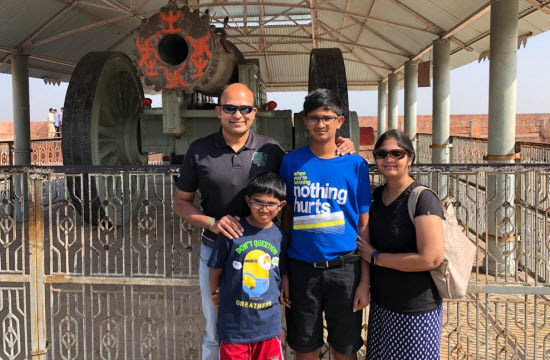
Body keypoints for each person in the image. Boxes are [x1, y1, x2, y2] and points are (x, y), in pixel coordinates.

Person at [173, 83, 355, 360]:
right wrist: (211, 222)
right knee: (217, 330)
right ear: (218, 111)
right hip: (218, 251)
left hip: (266, 251)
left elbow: (309, 163)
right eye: (230, 108)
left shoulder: (271, 150)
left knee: (265, 326)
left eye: (244, 109)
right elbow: (180, 202)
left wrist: (343, 143)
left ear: (254, 112)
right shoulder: (199, 150)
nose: (238, 115)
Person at [279, 88, 372, 360]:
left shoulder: (355, 164)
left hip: (345, 270)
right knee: (305, 348)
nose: (321, 124)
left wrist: (365, 281)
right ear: (304, 121)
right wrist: (285, 273)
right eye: (314, 118)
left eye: (328, 118)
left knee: (345, 349)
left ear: (340, 121)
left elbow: (364, 223)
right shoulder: (291, 162)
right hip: (302, 271)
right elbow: (286, 217)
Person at [356, 129, 445, 360]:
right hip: (382, 305)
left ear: (410, 158)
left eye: (397, 153)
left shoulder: (422, 198)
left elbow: (431, 258)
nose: (389, 159)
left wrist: (376, 257)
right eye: (382, 154)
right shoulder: (375, 197)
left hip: (415, 309)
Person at [208, 172, 289, 360]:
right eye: (258, 202)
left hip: (268, 329)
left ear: (281, 205)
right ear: (248, 201)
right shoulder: (232, 232)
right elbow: (216, 267)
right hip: (234, 328)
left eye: (271, 204)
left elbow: (281, 270)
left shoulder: (280, 237)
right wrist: (215, 293)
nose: (264, 209)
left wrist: (285, 286)